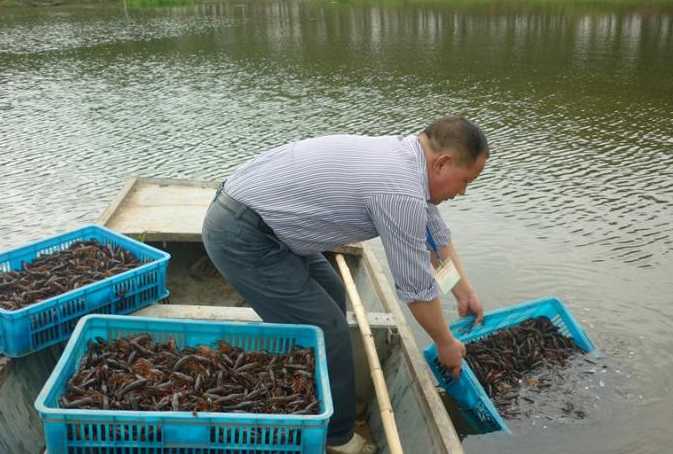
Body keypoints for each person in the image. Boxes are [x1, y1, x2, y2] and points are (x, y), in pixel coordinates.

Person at [202, 115, 489, 454]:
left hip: (273, 226)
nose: (462, 192)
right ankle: (337, 438)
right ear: (443, 163)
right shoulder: (399, 190)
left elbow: (434, 239)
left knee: (334, 296)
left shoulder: (408, 161)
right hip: (245, 234)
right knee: (328, 329)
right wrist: (445, 343)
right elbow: (416, 289)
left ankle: (318, 390)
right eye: (466, 180)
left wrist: (463, 290)